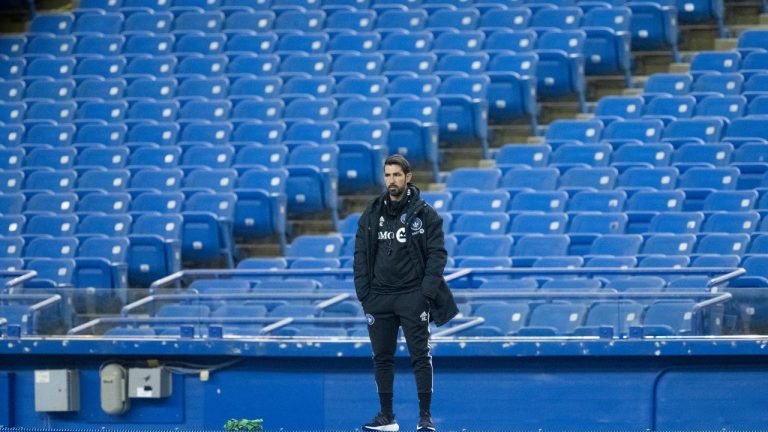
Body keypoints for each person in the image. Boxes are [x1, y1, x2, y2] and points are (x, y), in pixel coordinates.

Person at [354, 154, 459, 432]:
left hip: (413, 296)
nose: (392, 181)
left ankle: (425, 417)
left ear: (408, 177)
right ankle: (386, 416)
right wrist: (364, 293)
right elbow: (360, 254)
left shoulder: (425, 214)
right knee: (382, 357)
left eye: (397, 175)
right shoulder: (371, 212)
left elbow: (438, 256)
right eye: (388, 175)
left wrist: (425, 292)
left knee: (420, 357)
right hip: (378, 298)